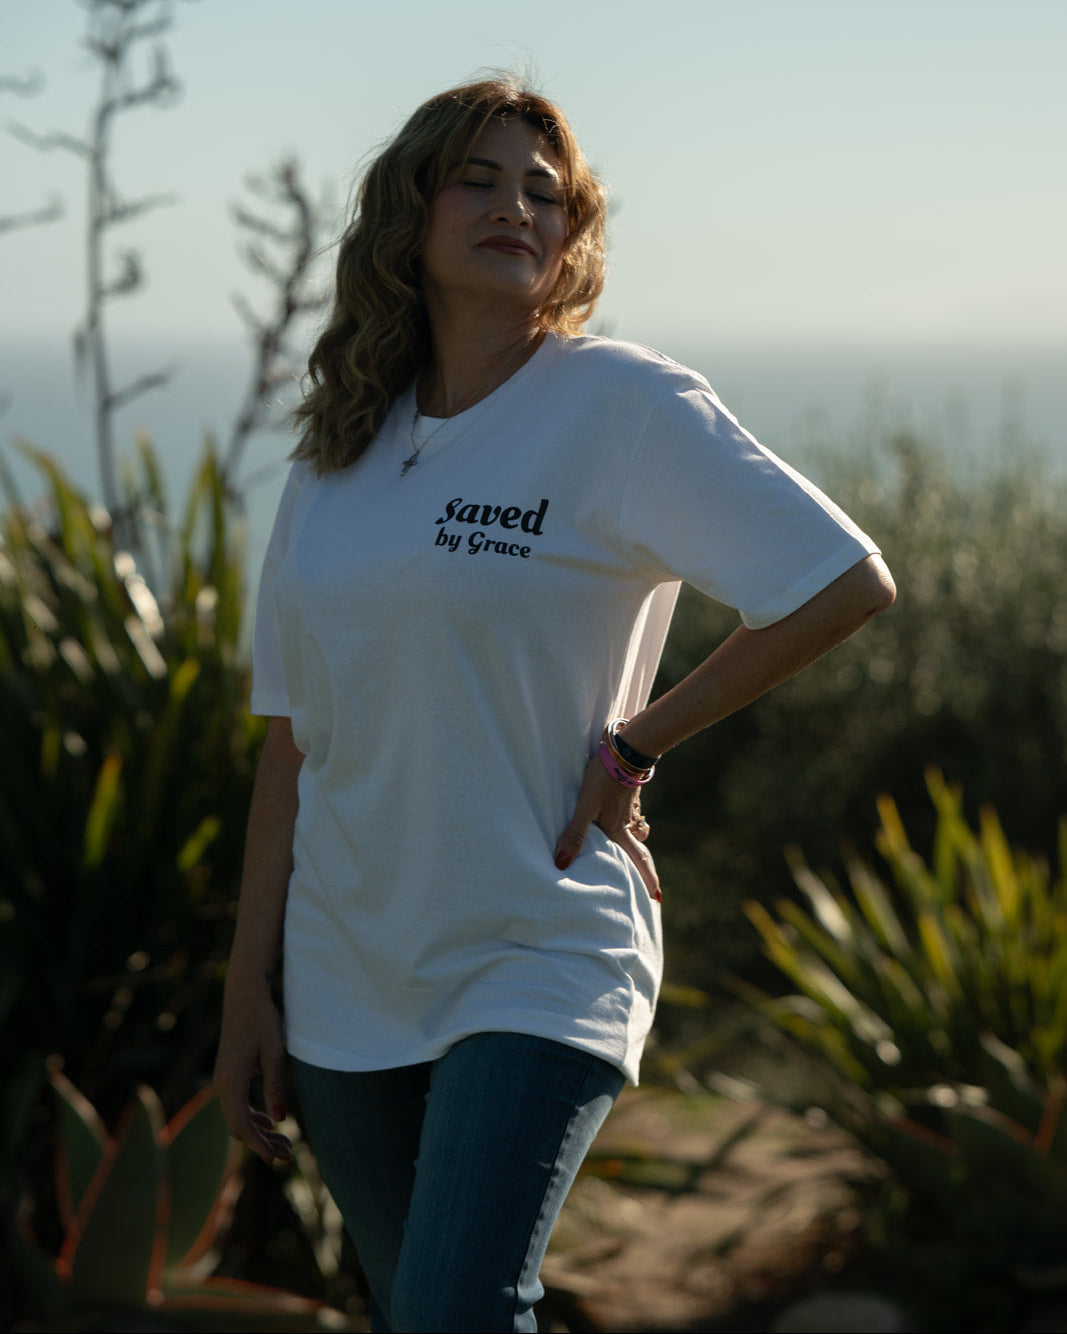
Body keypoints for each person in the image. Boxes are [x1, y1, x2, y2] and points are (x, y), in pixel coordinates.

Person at [213, 76, 896, 1333]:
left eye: (544, 191)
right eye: (476, 180)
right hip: (346, 966)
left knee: (459, 1310)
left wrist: (635, 744)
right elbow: (291, 742)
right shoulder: (337, 451)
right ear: (408, 213)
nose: (513, 208)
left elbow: (838, 580)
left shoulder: (620, 405)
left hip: (541, 939)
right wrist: (247, 984)